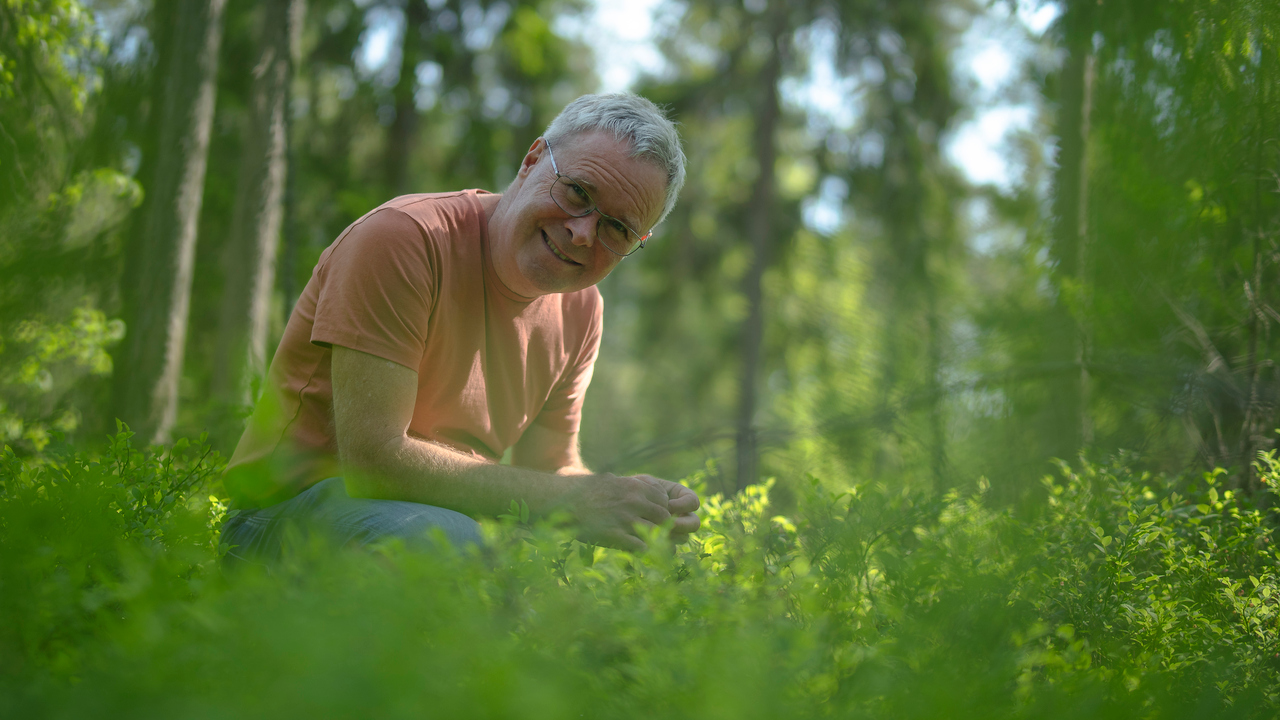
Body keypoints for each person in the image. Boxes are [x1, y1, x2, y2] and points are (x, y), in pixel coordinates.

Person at [220, 93, 700, 562]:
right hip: (275, 517)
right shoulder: (406, 239)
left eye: (617, 228)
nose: (582, 232)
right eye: (577, 192)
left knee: (517, 572)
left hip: (432, 527)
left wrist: (635, 508)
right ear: (532, 160)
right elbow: (372, 461)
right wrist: (578, 503)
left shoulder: (582, 309)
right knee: (453, 543)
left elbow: (550, 467)